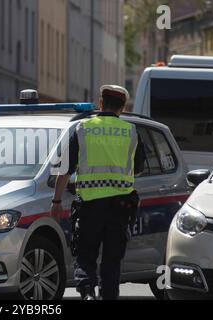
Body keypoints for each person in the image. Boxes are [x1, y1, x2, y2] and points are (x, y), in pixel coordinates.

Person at [50, 85, 146, 300]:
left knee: (85, 255)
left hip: (90, 206)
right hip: (121, 208)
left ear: (100, 103)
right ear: (123, 107)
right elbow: (138, 168)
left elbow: (63, 170)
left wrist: (56, 201)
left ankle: (87, 293)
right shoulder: (131, 131)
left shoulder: (82, 128)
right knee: (112, 260)